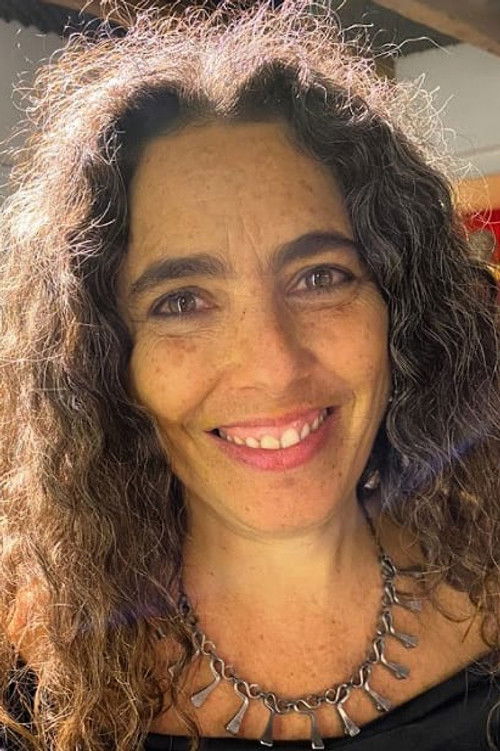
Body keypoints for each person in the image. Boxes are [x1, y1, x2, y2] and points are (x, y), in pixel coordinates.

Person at [0, 1, 499, 750]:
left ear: (403, 308)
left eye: (321, 276)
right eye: (181, 301)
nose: (273, 364)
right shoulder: (26, 690)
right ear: (99, 359)